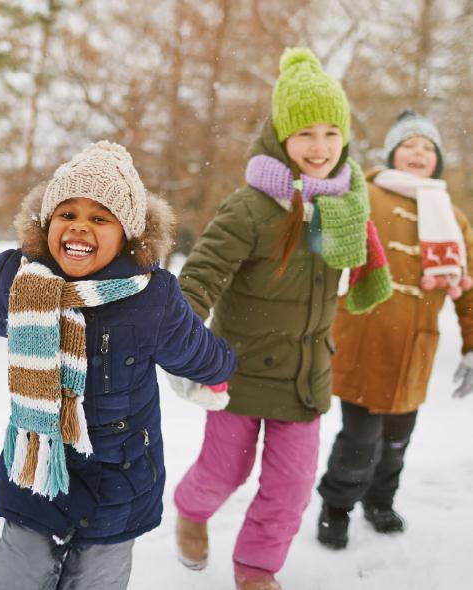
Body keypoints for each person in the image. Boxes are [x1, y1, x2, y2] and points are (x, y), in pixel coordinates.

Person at [0, 140, 236, 590]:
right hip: (37, 466)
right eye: (67, 215)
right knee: (15, 577)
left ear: (127, 233)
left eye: (99, 218)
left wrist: (223, 365)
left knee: (97, 582)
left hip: (120, 477)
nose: (79, 228)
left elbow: (194, 349)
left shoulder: (152, 298)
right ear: (47, 223)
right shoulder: (21, 281)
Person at [171, 48, 391, 590]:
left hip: (306, 376)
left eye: (331, 134)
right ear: (280, 137)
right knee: (224, 473)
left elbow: (361, 271)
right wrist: (179, 343)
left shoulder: (346, 205)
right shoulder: (250, 208)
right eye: (305, 134)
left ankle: (255, 568)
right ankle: (190, 509)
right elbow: (199, 279)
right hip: (238, 374)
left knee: (290, 487)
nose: (319, 148)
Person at [314, 110, 473, 550]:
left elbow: (468, 286)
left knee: (398, 440)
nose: (419, 153)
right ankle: (337, 506)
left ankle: (380, 502)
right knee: (360, 440)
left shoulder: (453, 218)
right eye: (409, 145)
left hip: (416, 349)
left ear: (437, 160)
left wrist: (471, 344)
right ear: (392, 154)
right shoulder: (363, 193)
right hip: (364, 340)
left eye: (428, 147)